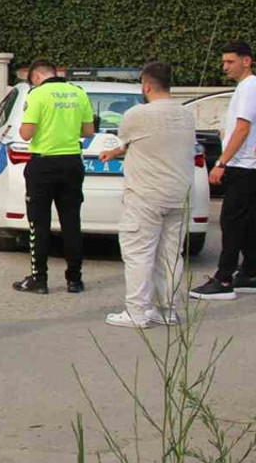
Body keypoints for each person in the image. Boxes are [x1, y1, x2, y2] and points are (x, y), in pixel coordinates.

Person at [97, 62, 195, 327]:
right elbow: (148, 143)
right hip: (179, 194)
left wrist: (116, 150)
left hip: (146, 195)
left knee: (138, 252)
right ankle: (168, 310)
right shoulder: (186, 114)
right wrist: (117, 153)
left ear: (147, 85)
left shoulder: (136, 114)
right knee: (171, 255)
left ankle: (137, 312)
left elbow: (128, 139)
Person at [11, 59, 95, 295]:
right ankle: (74, 280)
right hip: (72, 162)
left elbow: (26, 135)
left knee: (39, 223)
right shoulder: (78, 93)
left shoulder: (37, 95)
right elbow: (88, 132)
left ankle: (39, 279)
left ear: (36, 77)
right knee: (71, 222)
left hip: (44, 164)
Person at [191, 41, 256, 301]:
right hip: (248, 164)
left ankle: (224, 278)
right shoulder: (247, 87)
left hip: (242, 166)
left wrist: (221, 162)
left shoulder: (249, 87)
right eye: (224, 62)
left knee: (230, 222)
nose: (225, 67)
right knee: (249, 221)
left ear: (246, 61)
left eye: (230, 61)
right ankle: (250, 273)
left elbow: (243, 127)